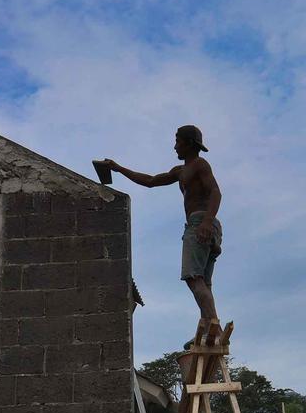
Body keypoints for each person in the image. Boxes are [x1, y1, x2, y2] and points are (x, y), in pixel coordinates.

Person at [96, 125, 223, 341]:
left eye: (178, 141)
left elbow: (215, 192)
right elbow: (151, 181)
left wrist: (206, 223)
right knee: (203, 282)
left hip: (201, 222)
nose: (175, 147)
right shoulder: (180, 171)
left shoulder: (200, 165)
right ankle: (207, 330)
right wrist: (118, 168)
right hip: (206, 224)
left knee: (193, 278)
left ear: (189, 143)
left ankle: (213, 329)